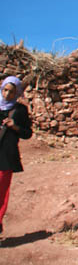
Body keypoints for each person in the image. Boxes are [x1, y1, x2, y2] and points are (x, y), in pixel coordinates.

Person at [0, 76, 32, 236]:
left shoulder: (20, 110)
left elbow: (28, 134)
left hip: (6, 156)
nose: (7, 94)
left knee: (1, 193)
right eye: (5, 90)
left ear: (17, 93)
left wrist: (15, 127)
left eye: (11, 92)